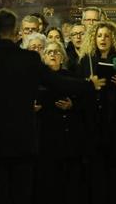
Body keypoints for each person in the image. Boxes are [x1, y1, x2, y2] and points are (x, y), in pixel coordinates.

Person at [0, 8, 104, 204]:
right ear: (16, 32)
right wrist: (89, 85)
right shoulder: (28, 59)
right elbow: (57, 82)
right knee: (21, 193)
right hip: (23, 138)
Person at [76, 21, 116, 204]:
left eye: (107, 36)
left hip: (115, 121)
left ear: (113, 39)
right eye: (99, 35)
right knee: (95, 172)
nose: (103, 39)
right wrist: (88, 83)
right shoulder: (86, 60)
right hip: (93, 121)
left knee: (115, 173)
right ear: (94, 38)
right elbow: (78, 88)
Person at [35, 40, 86, 204]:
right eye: (48, 52)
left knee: (70, 182)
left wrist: (73, 105)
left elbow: (84, 102)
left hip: (69, 136)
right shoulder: (36, 80)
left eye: (56, 52)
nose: (52, 55)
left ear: (63, 58)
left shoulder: (71, 78)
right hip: (45, 136)